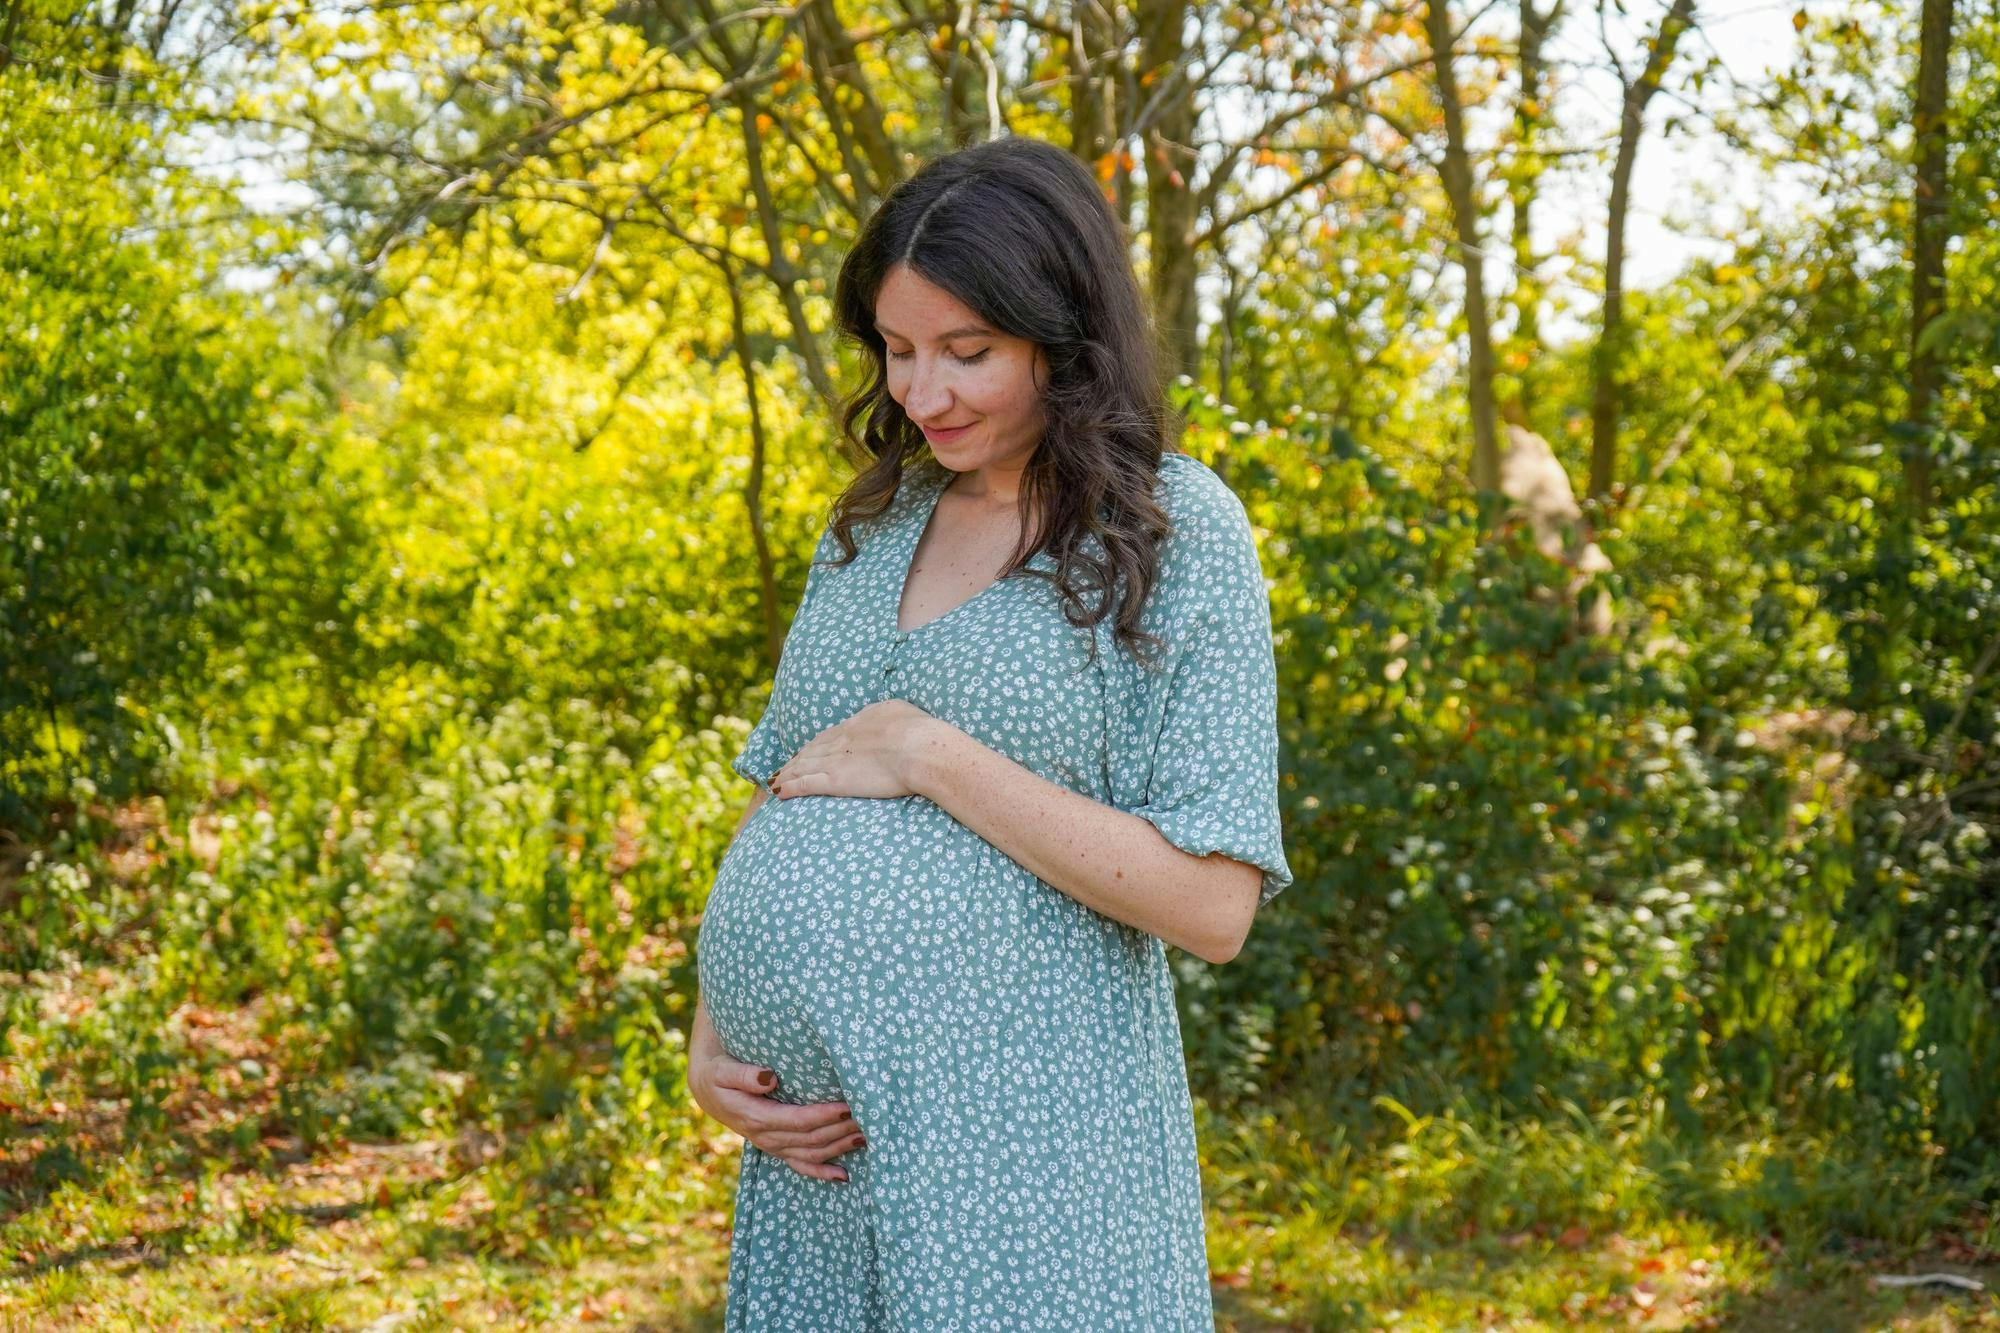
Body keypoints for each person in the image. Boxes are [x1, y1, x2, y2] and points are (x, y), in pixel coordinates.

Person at [687, 134, 1293, 1331]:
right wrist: (713, 1039)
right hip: (826, 1162)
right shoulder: (874, 519)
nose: (921, 394)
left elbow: (1215, 906)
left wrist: (933, 755)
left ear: (1061, 338)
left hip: (1022, 1161)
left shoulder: (1176, 531)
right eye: (897, 351)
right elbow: (786, 782)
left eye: (966, 353)